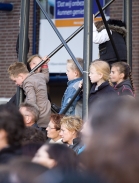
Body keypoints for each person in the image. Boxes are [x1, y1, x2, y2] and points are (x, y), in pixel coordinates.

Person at [8, 62, 51, 128]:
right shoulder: (39, 76)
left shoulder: (27, 83)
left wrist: (23, 109)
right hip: (47, 113)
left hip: (39, 117)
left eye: (15, 81)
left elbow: (31, 100)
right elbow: (46, 77)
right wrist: (45, 65)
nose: (16, 84)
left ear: (20, 76)